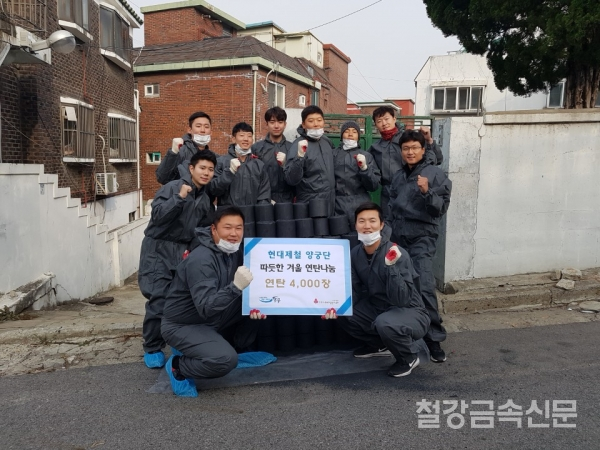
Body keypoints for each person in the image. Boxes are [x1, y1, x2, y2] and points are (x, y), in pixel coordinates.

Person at [161, 207, 266, 397]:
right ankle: (179, 366)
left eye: (239, 228)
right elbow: (207, 307)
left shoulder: (234, 252)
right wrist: (235, 287)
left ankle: (228, 346)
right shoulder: (201, 259)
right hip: (184, 324)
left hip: (211, 317)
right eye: (227, 227)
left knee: (259, 304)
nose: (234, 234)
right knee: (225, 360)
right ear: (213, 230)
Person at [323, 202, 430, 377]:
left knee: (385, 322)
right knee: (345, 312)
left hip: (409, 311)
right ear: (355, 225)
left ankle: (408, 357)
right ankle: (379, 345)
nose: (367, 226)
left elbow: (402, 299)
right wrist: (336, 306)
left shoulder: (396, 253)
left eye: (372, 221)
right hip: (378, 307)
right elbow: (354, 290)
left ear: (381, 225)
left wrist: (392, 267)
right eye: (361, 221)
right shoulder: (356, 253)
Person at [139, 150, 217, 368]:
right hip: (159, 249)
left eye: (210, 170)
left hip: (183, 251)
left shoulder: (204, 197)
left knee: (180, 300)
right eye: (202, 168)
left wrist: (194, 249)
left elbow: (204, 228)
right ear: (191, 168)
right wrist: (179, 198)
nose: (206, 173)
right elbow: (158, 217)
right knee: (159, 299)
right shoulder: (173, 187)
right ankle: (153, 347)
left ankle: (175, 340)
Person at [388, 130, 452, 363]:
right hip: (398, 235)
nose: (410, 152)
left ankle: (433, 338)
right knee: (397, 285)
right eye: (406, 148)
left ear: (423, 149)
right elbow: (391, 206)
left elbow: (440, 208)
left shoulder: (434, 174)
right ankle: (401, 334)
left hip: (422, 236)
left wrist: (428, 192)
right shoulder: (398, 176)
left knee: (423, 284)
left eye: (415, 147)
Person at [368, 106, 443, 216]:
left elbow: (438, 159)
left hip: (412, 189)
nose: (384, 123)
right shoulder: (375, 148)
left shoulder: (409, 138)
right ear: (376, 124)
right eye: (379, 121)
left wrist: (429, 140)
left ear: (394, 119)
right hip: (388, 194)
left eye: (387, 119)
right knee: (390, 227)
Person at [284, 105, 336, 216]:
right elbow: (291, 179)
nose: (316, 124)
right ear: (304, 124)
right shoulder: (298, 145)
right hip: (310, 202)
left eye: (319, 120)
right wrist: (299, 157)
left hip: (330, 199)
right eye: (311, 121)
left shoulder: (327, 142)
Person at [210, 122, 271, 206]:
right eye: (241, 135)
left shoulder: (259, 165)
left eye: (249, 136)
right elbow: (213, 190)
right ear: (233, 139)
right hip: (228, 214)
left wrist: (260, 213)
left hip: (252, 215)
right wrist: (229, 172)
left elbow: (264, 194)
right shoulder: (221, 162)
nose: (246, 139)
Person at [333, 121, 380, 227]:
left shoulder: (366, 156)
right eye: (346, 131)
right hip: (337, 205)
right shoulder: (333, 154)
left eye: (354, 132)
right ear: (341, 136)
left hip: (360, 204)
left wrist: (364, 168)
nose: (350, 134)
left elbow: (374, 185)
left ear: (358, 136)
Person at [156, 111, 214, 185]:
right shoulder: (180, 151)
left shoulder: (213, 156)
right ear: (189, 130)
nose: (202, 130)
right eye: (198, 126)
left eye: (206, 127)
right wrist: (173, 153)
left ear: (211, 132)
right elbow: (162, 178)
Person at [252, 107, 294, 203]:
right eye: (272, 122)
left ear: (285, 124)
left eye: (280, 122)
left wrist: (286, 164)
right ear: (266, 124)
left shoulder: (292, 148)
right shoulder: (256, 148)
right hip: (263, 200)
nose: (276, 126)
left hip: (287, 200)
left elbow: (296, 177)